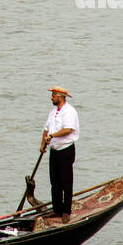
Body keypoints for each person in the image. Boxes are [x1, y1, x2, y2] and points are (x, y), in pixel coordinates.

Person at [40, 85, 80, 224]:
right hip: (54, 150)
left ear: (60, 97)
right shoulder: (53, 112)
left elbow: (68, 129)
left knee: (66, 182)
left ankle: (66, 212)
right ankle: (56, 209)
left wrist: (52, 135)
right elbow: (46, 129)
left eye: (53, 95)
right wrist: (42, 145)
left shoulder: (69, 111)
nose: (51, 98)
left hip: (66, 150)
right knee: (54, 182)